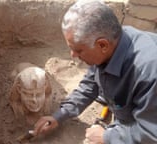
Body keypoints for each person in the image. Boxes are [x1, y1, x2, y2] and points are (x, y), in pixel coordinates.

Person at [33, 0, 157, 144]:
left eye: (78, 50)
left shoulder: (149, 73)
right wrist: (59, 115)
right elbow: (90, 85)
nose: (72, 55)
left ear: (102, 45)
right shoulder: (112, 43)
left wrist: (107, 137)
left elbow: (151, 132)